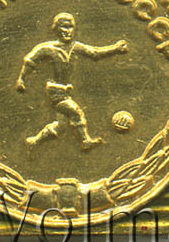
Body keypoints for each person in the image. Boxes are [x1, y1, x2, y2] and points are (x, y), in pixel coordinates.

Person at [16, 12, 128, 156]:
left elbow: (94, 53)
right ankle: (85, 141)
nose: (67, 31)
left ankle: (34, 141)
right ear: (56, 29)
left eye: (70, 27)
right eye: (64, 27)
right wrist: (21, 79)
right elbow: (30, 60)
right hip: (55, 90)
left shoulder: (75, 47)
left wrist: (115, 49)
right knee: (76, 112)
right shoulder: (47, 48)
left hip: (65, 91)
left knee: (61, 125)